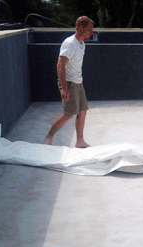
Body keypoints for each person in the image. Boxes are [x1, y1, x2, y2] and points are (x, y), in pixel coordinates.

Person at [43, 16, 94, 148]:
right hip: (69, 83)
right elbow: (60, 65)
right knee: (69, 114)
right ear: (81, 28)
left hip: (78, 82)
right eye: (89, 30)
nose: (92, 33)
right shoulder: (70, 43)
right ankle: (48, 137)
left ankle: (80, 141)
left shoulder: (82, 44)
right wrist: (64, 88)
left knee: (82, 111)